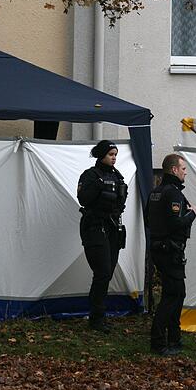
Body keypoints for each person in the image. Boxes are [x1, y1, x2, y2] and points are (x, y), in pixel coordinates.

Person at [146, 153, 196, 356]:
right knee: (172, 295)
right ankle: (158, 341)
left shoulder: (156, 191)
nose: (185, 173)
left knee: (178, 293)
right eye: (183, 169)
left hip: (160, 248)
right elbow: (177, 222)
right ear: (174, 170)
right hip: (170, 251)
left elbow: (148, 219)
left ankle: (174, 338)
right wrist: (192, 213)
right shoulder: (173, 193)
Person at [77, 140, 128, 333]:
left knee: (107, 273)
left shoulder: (117, 176)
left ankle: (99, 316)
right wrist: (99, 186)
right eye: (110, 154)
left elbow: (120, 202)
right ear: (101, 155)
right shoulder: (90, 175)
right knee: (103, 272)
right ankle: (96, 318)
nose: (114, 158)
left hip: (113, 227)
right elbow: (83, 198)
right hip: (94, 227)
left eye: (115, 155)